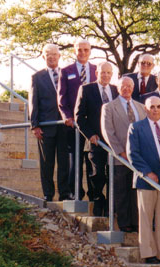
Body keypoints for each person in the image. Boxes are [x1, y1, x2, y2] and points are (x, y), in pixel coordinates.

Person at [127, 96, 160, 263]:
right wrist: (147, 172)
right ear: (145, 109)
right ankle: (148, 252)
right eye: (152, 107)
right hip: (147, 178)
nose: (155, 110)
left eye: (158, 106)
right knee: (146, 216)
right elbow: (132, 154)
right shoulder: (136, 128)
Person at [101, 76, 146, 232]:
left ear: (133, 88)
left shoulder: (141, 107)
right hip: (120, 157)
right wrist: (120, 152)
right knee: (121, 191)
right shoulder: (109, 107)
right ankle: (124, 222)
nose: (126, 89)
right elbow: (108, 132)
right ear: (117, 88)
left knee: (135, 191)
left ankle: (136, 222)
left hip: (138, 158)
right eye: (123, 86)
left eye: (129, 86)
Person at [74, 61, 119, 216]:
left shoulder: (116, 90)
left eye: (108, 72)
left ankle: (111, 207)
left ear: (112, 74)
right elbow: (79, 116)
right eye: (103, 72)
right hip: (95, 140)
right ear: (96, 73)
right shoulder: (86, 89)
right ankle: (98, 200)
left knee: (113, 173)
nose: (105, 75)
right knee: (97, 173)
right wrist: (90, 134)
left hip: (113, 141)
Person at [28, 43, 70, 202]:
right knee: (47, 162)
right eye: (48, 54)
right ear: (44, 57)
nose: (52, 57)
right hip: (46, 126)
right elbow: (33, 102)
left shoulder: (66, 74)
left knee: (64, 162)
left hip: (64, 126)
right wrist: (35, 125)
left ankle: (65, 193)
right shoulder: (37, 77)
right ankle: (48, 193)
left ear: (59, 56)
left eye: (55, 54)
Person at [58, 38, 97, 200]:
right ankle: (76, 192)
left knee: (91, 161)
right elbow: (62, 99)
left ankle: (93, 194)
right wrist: (67, 117)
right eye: (79, 50)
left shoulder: (97, 70)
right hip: (74, 124)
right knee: (75, 159)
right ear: (74, 51)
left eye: (86, 50)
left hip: (92, 124)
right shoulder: (66, 71)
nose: (82, 53)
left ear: (90, 51)